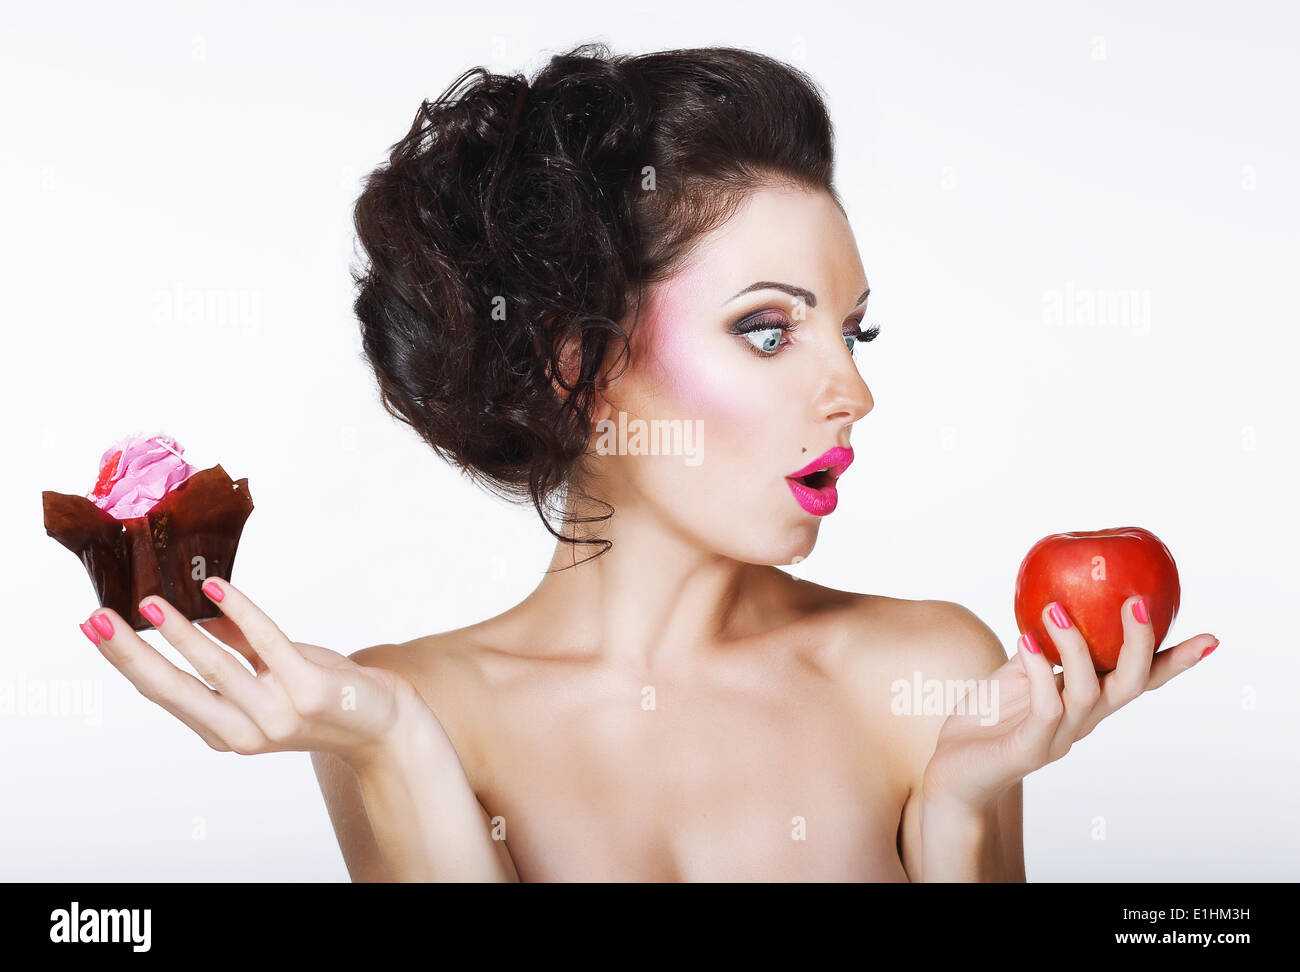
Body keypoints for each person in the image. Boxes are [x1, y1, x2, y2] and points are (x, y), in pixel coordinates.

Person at [82, 42, 1217, 882]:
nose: (855, 392)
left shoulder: (921, 677)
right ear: (583, 363)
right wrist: (396, 751)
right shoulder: (414, 706)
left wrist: (963, 807)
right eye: (767, 329)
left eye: (851, 330)